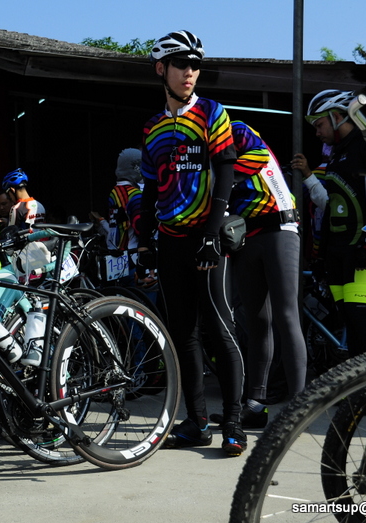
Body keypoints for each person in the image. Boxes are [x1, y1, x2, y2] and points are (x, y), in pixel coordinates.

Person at [138, 30, 246, 456]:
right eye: (181, 63)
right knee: (182, 334)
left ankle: (233, 423)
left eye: (196, 65)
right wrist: (143, 241)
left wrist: (211, 234)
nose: (190, 72)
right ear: (161, 68)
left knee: (220, 330)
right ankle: (196, 423)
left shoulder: (211, 112)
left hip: (207, 239)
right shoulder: (152, 127)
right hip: (170, 241)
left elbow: (226, 173)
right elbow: (151, 188)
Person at [212, 120, 307, 428]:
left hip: (279, 228)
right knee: (255, 322)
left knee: (286, 316)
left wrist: (218, 183)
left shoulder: (235, 128)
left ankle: (300, 407)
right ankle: (255, 405)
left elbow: (258, 156)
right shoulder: (200, 150)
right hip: (246, 236)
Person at [291, 89, 366, 357]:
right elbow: (334, 205)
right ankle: (361, 381)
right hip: (337, 249)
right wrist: (322, 254)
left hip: (363, 244)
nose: (316, 132)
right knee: (347, 317)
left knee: (360, 316)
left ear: (337, 117)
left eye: (319, 124)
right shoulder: (336, 154)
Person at [105, 148, 143, 283]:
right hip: (131, 256)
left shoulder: (114, 192)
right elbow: (140, 228)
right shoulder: (135, 195)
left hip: (115, 255)